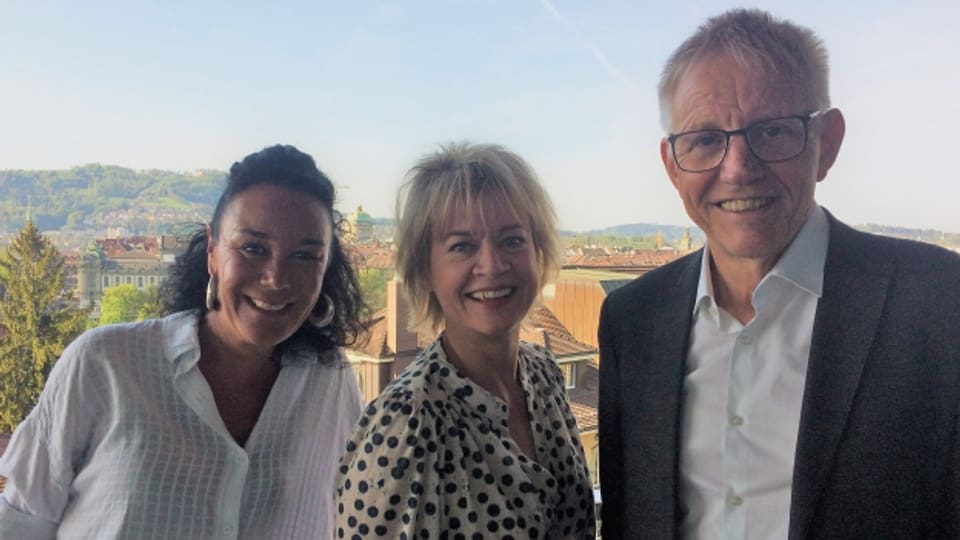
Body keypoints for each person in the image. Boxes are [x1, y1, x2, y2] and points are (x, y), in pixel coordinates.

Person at [598, 8, 960, 539]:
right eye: (703, 140)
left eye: (772, 132)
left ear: (827, 143)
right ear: (672, 165)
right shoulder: (632, 320)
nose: (738, 168)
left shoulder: (939, 304)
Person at [0, 144, 367, 539]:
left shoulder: (331, 381)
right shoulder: (104, 364)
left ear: (326, 267)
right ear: (212, 251)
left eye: (305, 256)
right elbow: (21, 520)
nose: (276, 278)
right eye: (253, 248)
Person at [334, 142, 596, 538]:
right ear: (424, 271)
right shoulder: (403, 428)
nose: (491, 265)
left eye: (512, 240)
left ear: (538, 252)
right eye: (462, 246)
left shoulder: (544, 376)